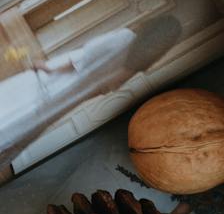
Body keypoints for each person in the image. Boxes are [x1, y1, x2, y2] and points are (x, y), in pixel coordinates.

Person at [0, 13, 181, 165]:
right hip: (67, 100)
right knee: (23, 125)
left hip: (56, 80)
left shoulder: (124, 37)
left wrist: (48, 68)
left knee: (11, 105)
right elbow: (102, 90)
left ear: (151, 26)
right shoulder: (135, 66)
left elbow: (81, 58)